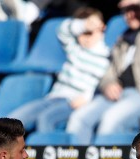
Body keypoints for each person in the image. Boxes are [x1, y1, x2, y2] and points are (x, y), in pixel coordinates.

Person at [65, 0, 140, 145]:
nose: (130, 15)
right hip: (122, 96)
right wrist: (108, 84)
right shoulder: (124, 38)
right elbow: (109, 71)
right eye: (126, 11)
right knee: (79, 118)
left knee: (111, 119)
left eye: (135, 9)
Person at [8, 7, 111, 135]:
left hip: (74, 103)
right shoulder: (74, 49)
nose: (84, 37)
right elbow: (63, 30)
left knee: (46, 119)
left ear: (102, 29)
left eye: (89, 33)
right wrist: (83, 25)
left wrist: (87, 97)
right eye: (81, 32)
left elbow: (106, 83)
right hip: (54, 98)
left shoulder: (107, 57)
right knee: (13, 122)